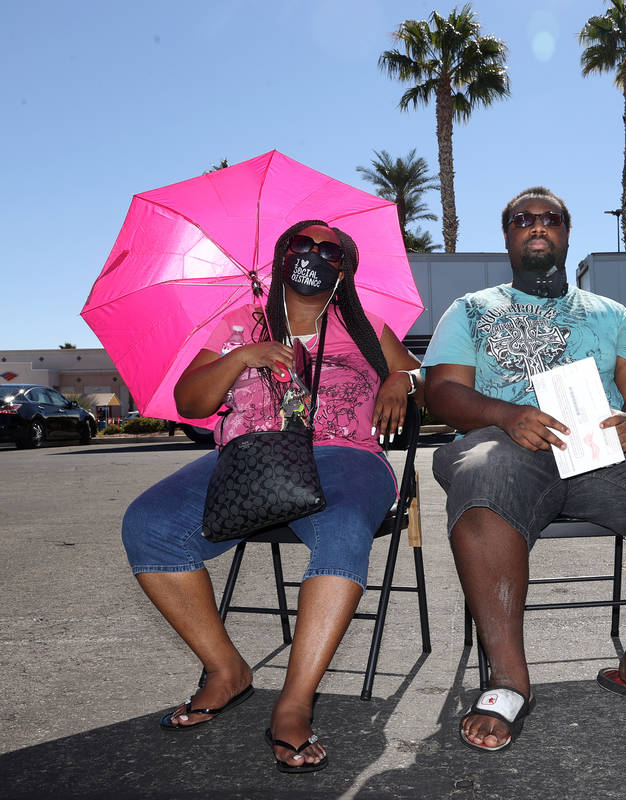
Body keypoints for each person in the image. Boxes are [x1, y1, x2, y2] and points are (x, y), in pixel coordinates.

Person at [424, 186, 626, 751]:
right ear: (508, 235)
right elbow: (439, 392)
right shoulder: (471, 309)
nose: (536, 225)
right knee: (484, 471)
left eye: (550, 219)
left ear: (566, 234)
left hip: (598, 455)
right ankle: (509, 680)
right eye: (523, 218)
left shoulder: (610, 314)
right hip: (506, 447)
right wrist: (505, 413)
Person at [122, 221, 422, 773]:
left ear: (344, 266)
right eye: (302, 245)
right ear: (282, 256)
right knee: (150, 523)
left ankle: (294, 703)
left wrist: (400, 380)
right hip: (251, 457)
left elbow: (413, 372)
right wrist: (241, 356)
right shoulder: (238, 323)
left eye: (329, 250)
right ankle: (225, 670)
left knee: (341, 528)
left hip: (348, 457)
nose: (314, 255)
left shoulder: (364, 325)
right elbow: (192, 402)